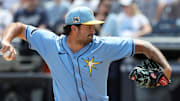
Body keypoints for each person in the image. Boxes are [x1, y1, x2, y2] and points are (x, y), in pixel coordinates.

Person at [0, 6, 172, 101]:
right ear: (74, 29)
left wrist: (165, 66)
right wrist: (6, 41)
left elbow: (145, 46)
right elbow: (18, 27)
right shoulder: (51, 43)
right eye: (88, 26)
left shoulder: (103, 45)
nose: (93, 29)